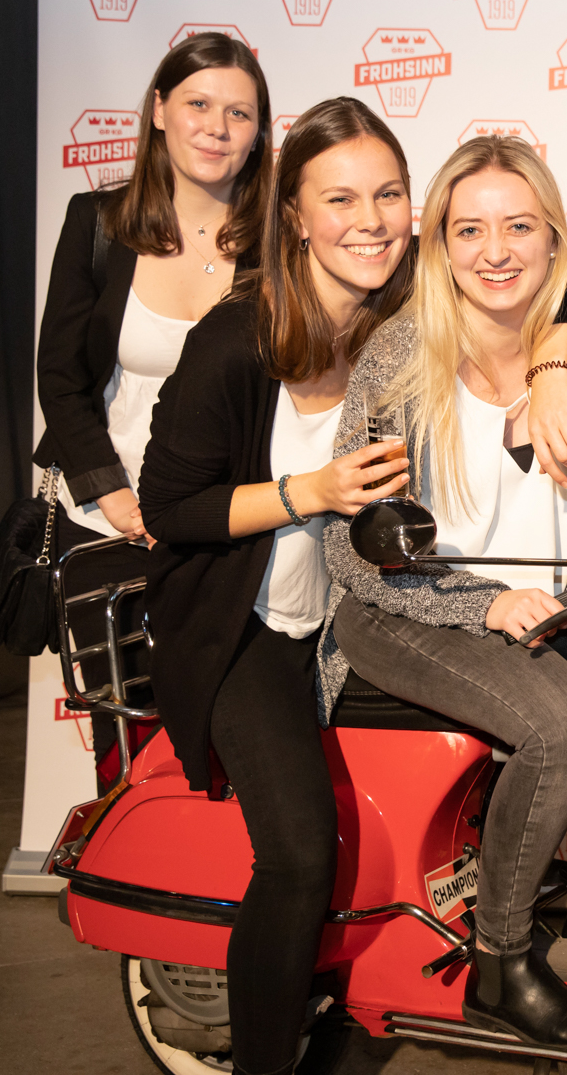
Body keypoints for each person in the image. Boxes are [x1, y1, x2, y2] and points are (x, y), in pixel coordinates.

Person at [321, 135, 567, 1053]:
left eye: (518, 228)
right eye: (470, 230)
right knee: (565, 725)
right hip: (407, 607)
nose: (495, 251)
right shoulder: (398, 357)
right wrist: (483, 606)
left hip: (545, 600)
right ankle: (500, 963)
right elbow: (354, 552)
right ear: (439, 244)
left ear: (553, 241)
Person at [138, 97, 420, 1075]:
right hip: (242, 632)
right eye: (341, 199)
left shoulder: (404, 322)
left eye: (389, 194)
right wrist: (313, 492)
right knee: (302, 856)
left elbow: (564, 267)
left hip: (354, 617)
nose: (371, 220)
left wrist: (553, 365)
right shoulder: (235, 339)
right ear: (294, 216)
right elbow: (170, 508)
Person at [33, 32, 271, 780]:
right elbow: (59, 376)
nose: (217, 127)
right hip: (109, 523)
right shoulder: (99, 223)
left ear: (259, 132)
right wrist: (113, 494)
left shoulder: (280, 240)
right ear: (160, 110)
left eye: (239, 113)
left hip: (226, 523)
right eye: (199, 104)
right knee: (127, 734)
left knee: (229, 733)